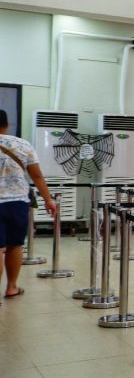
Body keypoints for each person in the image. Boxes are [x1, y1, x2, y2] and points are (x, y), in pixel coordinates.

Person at [0, 110, 57, 301]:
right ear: (7, 124)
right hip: (17, 202)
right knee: (15, 245)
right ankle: (11, 287)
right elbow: (37, 176)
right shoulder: (22, 144)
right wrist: (48, 199)